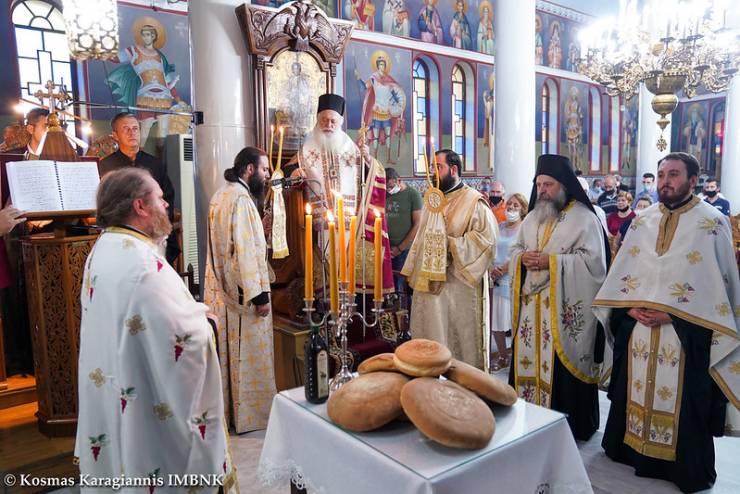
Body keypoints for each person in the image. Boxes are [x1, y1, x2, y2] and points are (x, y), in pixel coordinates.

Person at [75, 168, 237, 491]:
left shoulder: (103, 248)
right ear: (140, 206)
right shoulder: (142, 264)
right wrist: (206, 324)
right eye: (160, 199)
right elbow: (182, 338)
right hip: (144, 401)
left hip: (118, 384)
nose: (166, 207)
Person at [592, 152, 740, 493]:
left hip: (685, 336)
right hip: (639, 331)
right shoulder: (643, 221)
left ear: (692, 180)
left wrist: (672, 314)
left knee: (684, 399)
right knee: (635, 389)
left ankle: (679, 466)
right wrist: (626, 310)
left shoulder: (711, 223)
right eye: (661, 175)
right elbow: (624, 274)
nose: (664, 182)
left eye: (673, 174)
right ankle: (629, 450)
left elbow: (720, 289)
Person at [509, 154, 609, 441]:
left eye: (548, 184)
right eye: (539, 184)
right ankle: (528, 420)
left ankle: (570, 427)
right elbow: (515, 250)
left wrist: (551, 262)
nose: (542, 190)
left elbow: (594, 267)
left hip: (563, 312)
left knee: (562, 370)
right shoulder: (531, 218)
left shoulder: (585, 219)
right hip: (531, 312)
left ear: (563, 184)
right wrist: (522, 258)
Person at [287, 94, 393, 297]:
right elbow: (289, 170)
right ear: (317, 121)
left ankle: (348, 309)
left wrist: (367, 157)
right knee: (325, 276)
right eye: (323, 120)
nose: (328, 125)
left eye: (332, 121)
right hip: (319, 225)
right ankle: (325, 307)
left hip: (350, 224)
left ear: (340, 122)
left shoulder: (351, 148)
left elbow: (372, 176)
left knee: (348, 271)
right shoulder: (308, 148)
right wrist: (293, 172)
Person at [401, 149, 497, 370]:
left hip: (458, 289)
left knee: (456, 346)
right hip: (429, 288)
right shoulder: (434, 199)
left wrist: (450, 246)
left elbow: (487, 241)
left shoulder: (474, 202)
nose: (433, 173)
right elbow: (421, 239)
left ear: (453, 170)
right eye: (431, 168)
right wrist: (414, 270)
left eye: (438, 167)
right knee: (430, 339)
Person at [203, 147, 277, 433]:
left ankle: (231, 414)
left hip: (223, 291)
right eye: (265, 169)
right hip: (245, 296)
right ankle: (252, 416)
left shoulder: (220, 195)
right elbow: (245, 252)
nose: (268, 175)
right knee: (248, 356)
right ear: (249, 169)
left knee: (229, 355)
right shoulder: (243, 201)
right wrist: (260, 297)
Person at [100, 112, 179, 264]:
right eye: (126, 129)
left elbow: (168, 197)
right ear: (115, 135)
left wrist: (156, 226)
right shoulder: (106, 166)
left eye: (135, 128)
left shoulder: (155, 163)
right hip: (123, 236)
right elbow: (107, 203)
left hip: (154, 232)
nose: (132, 133)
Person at [490, 193, 527, 371]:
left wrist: (503, 269)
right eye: (510, 205)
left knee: (515, 321)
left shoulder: (525, 229)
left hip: (513, 279)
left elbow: (521, 254)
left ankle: (519, 356)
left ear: (523, 210)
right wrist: (492, 269)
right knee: (496, 321)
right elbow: (490, 248)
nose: (511, 208)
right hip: (495, 279)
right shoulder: (499, 226)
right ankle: (503, 356)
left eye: (516, 206)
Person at [355, 51, 406, 164]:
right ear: (377, 65)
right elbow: (364, 87)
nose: (381, 67)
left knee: (388, 136)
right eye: (380, 64)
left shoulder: (389, 80)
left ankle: (388, 157)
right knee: (376, 137)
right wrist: (359, 78)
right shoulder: (373, 78)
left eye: (383, 65)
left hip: (387, 113)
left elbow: (396, 95)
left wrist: (399, 103)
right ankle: (375, 158)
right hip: (376, 112)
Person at [385, 167, 422, 299]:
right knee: (386, 288)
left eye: (390, 187)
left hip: (404, 250)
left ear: (398, 180)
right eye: (386, 188)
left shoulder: (413, 195)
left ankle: (402, 318)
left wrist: (400, 248)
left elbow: (418, 224)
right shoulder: (385, 194)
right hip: (385, 249)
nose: (389, 191)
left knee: (400, 287)